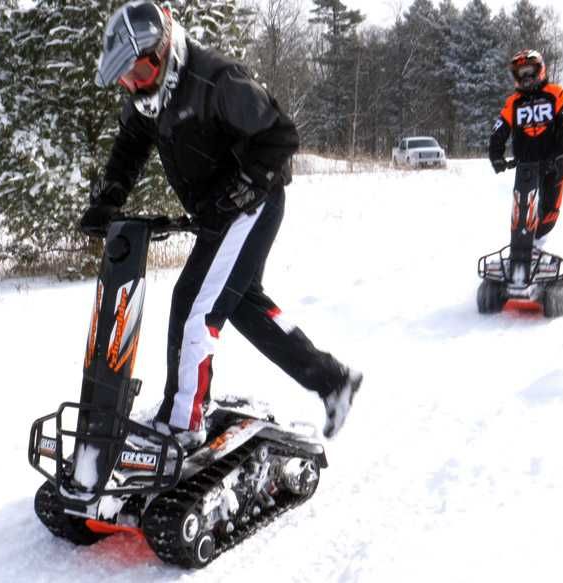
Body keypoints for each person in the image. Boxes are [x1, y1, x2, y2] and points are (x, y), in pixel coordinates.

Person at [82, 1, 362, 448]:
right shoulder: (149, 99)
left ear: (164, 51)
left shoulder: (217, 80)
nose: (134, 85)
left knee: (196, 312)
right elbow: (130, 145)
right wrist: (107, 199)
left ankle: (181, 426)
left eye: (139, 72)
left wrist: (239, 189)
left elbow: (281, 137)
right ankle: (332, 380)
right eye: (125, 78)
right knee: (240, 305)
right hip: (217, 212)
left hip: (253, 203)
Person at [489, 49, 563, 247]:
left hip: (555, 162)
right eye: (521, 73)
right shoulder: (514, 102)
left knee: (549, 212)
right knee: (522, 213)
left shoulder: (557, 93)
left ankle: (539, 245)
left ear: (540, 70)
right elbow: (499, 129)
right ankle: (521, 250)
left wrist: (560, 152)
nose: (526, 77)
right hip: (526, 165)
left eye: (529, 71)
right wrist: (495, 154)